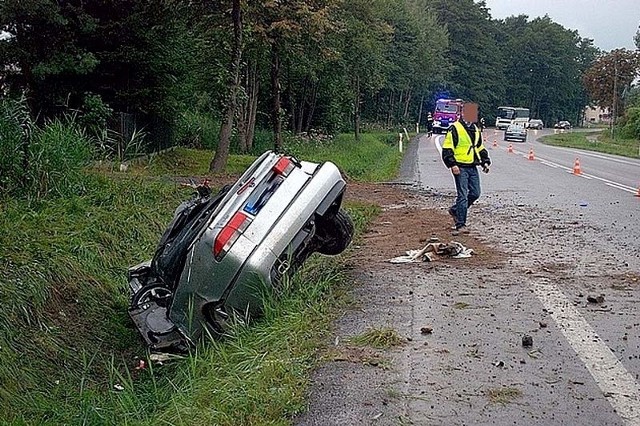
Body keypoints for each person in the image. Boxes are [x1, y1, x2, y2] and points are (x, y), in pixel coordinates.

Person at [441, 115, 491, 235]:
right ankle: (460, 224)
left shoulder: (475, 129)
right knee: (462, 195)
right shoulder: (455, 128)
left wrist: (485, 162)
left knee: (475, 193)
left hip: (472, 166)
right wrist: (452, 164)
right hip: (459, 166)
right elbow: (447, 148)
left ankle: (455, 210)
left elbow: (479, 148)